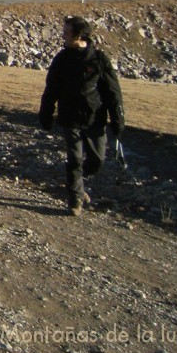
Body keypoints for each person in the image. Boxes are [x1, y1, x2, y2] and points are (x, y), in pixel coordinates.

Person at [39, 15, 124, 216]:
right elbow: (52, 88)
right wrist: (46, 113)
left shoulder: (99, 60)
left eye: (66, 32)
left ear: (78, 35)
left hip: (95, 118)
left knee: (97, 160)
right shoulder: (61, 59)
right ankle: (75, 198)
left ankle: (77, 182)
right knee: (75, 158)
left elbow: (113, 91)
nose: (63, 35)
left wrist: (117, 118)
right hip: (70, 117)